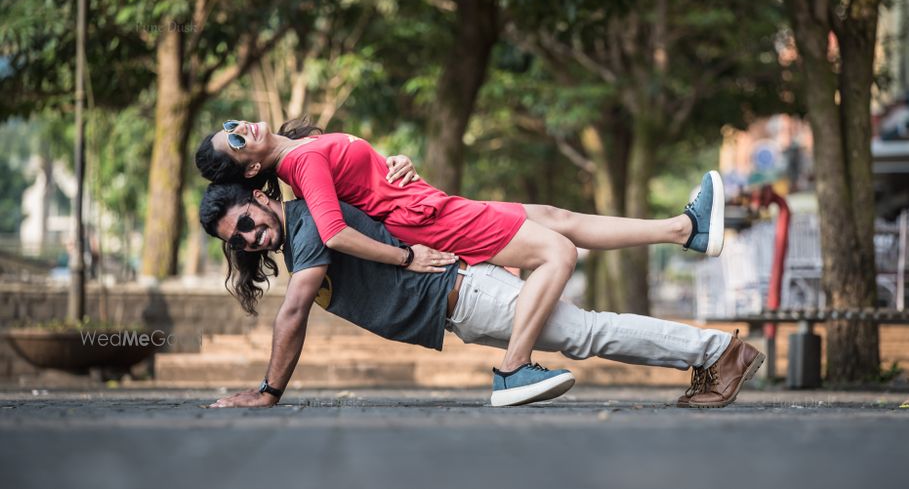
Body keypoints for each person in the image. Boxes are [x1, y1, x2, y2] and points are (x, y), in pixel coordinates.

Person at [195, 118, 727, 406]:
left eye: (236, 126)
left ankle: (684, 235)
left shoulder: (302, 171)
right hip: (432, 232)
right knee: (565, 264)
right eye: (238, 243)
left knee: (557, 229)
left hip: (438, 236)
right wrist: (401, 232)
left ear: (257, 195)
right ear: (250, 176)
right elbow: (343, 220)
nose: (250, 241)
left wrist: (392, 169)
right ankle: (515, 369)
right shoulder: (300, 176)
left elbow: (346, 212)